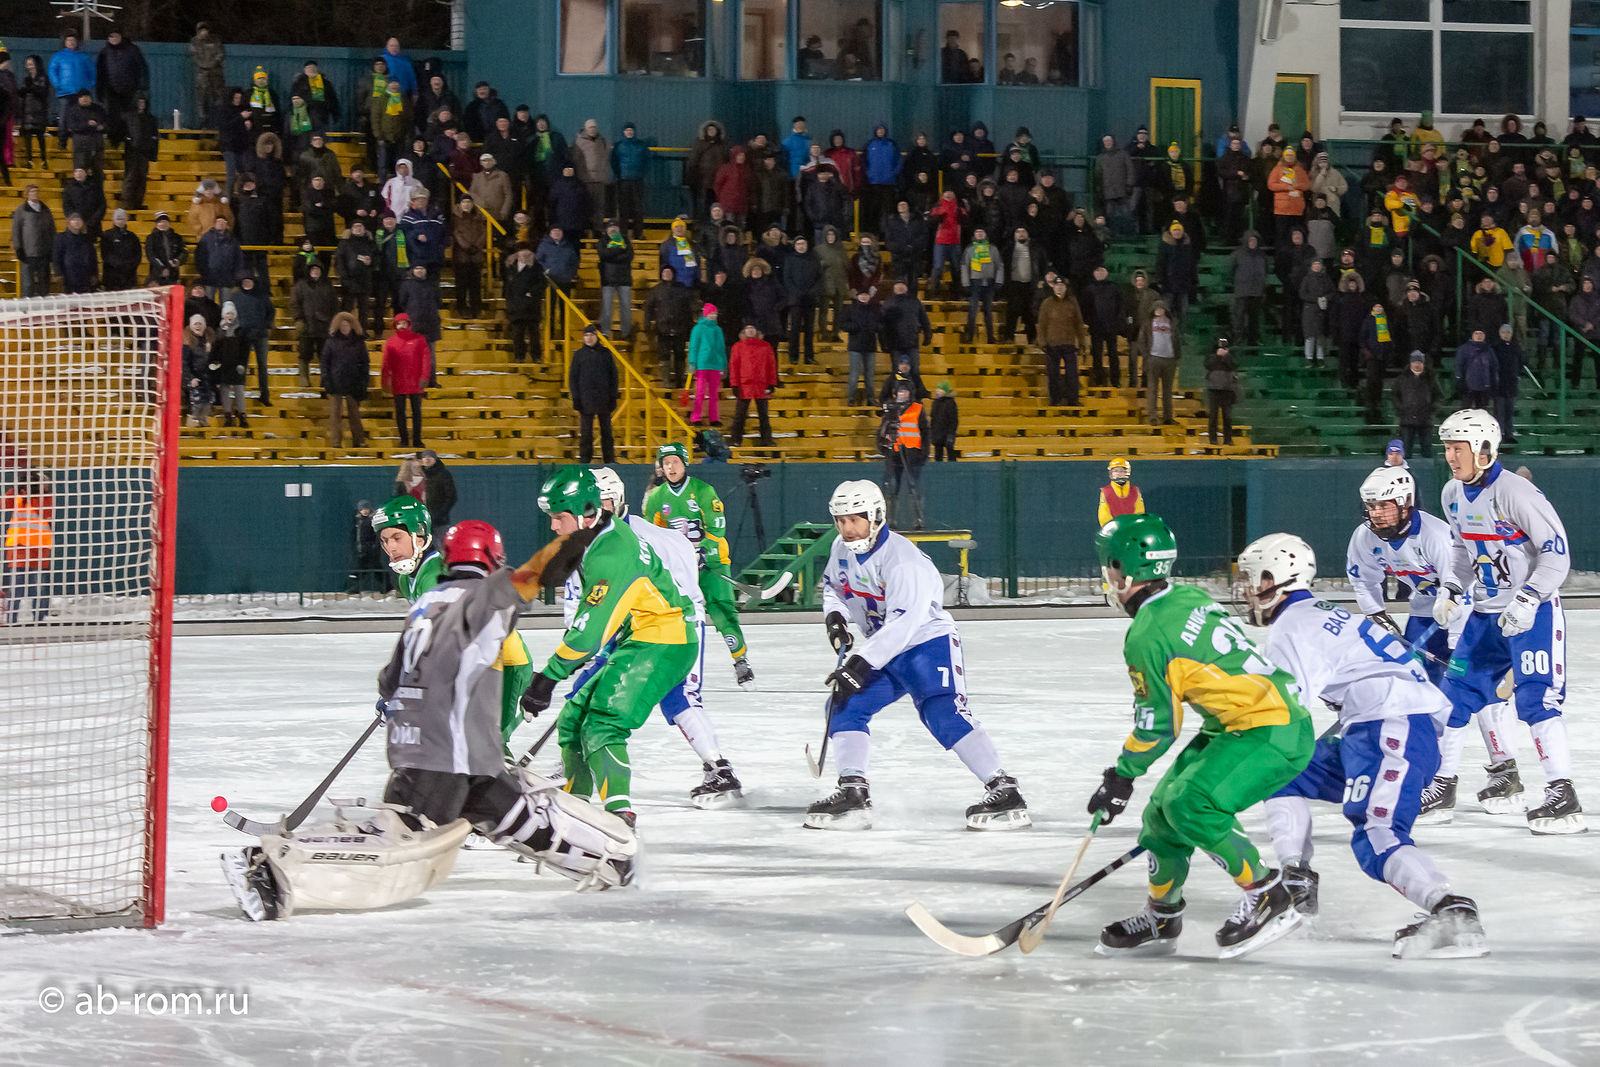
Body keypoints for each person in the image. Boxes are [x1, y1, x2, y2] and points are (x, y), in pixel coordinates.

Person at [223, 518, 639, 921]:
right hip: (448, 750)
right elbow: (543, 569)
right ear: (491, 559)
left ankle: (612, 863)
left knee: (516, 813)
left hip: (450, 752)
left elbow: (389, 680)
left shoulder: (426, 602)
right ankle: (266, 867)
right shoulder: (488, 593)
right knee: (402, 833)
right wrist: (590, 533)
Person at [1241, 535, 1488, 959]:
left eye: (1253, 578)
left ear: (1276, 578)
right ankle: (1295, 878)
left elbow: (1282, 712)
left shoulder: (1291, 625)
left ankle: (1451, 910)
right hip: (1382, 725)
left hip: (1392, 725)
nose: (1247, 589)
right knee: (1280, 771)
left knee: (1378, 832)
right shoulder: (1318, 612)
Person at [1087, 513, 1313, 958]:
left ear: (1126, 569)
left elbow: (1158, 725)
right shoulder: (1186, 596)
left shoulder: (1147, 634)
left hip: (1271, 730)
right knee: (1161, 814)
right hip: (1244, 723)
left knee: (1189, 804)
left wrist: (1122, 776)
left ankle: (1267, 893)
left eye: (1110, 566)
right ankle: (1162, 916)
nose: (1108, 576)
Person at [810, 479, 1028, 830]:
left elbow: (905, 622)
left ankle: (1004, 789)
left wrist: (860, 664)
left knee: (941, 711)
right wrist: (835, 618)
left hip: (925, 643)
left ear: (875, 517)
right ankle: (853, 791)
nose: (848, 529)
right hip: (884, 647)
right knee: (844, 704)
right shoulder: (841, 549)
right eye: (841, 520)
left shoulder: (902, 559)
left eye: (855, 520)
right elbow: (835, 587)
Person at [1423, 411, 1584, 834]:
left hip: (1533, 614)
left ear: (1484, 450)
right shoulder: (1452, 493)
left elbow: (1557, 554)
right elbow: (1461, 551)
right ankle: (1443, 785)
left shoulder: (1516, 492)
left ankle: (1562, 793)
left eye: (1458, 448)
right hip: (1485, 614)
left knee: (1536, 699)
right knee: (1454, 697)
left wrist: (1529, 599)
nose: (1450, 456)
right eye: (1447, 447)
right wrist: (1451, 588)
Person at [522, 467, 702, 832]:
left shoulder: (611, 553)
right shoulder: (597, 535)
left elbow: (588, 636)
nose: (553, 526)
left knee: (603, 723)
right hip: (639, 637)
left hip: (665, 639)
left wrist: (546, 679)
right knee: (573, 719)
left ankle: (620, 819)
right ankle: (575, 811)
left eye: (559, 517)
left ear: (587, 512)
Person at [560, 468, 745, 806]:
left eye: (603, 502)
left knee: (679, 696)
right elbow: (580, 599)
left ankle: (720, 769)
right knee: (583, 691)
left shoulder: (656, 537)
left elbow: (682, 594)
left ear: (618, 501)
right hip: (624, 630)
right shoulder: (584, 544)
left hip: (673, 627)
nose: (596, 510)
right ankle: (575, 764)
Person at [644, 443, 754, 687]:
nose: (671, 467)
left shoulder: (703, 491)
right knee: (671, 613)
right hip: (679, 567)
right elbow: (653, 535)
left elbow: (717, 527)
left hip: (712, 562)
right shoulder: (657, 498)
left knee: (722, 610)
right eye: (666, 463)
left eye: (675, 461)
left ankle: (740, 659)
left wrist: (703, 550)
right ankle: (670, 663)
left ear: (684, 463)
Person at [2, 474, 54, 625]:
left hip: (38, 550)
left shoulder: (46, 498)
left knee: (38, 588)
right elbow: (3, 504)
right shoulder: (18, 496)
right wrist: (15, 488)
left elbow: (46, 512)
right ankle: (11, 620)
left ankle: (40, 620)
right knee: (16, 588)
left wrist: (37, 493)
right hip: (18, 549)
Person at [567, 324, 618, 464]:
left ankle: (609, 460)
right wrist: (576, 398)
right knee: (586, 434)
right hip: (586, 400)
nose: (588, 338)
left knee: (607, 432)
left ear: (596, 336)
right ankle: (585, 461)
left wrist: (613, 396)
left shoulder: (606, 354)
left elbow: (613, 376)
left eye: (591, 335)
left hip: (604, 399)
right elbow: (573, 378)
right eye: (586, 335)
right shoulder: (579, 355)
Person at [381, 313, 430, 448]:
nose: (401, 326)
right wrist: (385, 381)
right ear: (395, 325)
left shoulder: (419, 339)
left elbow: (426, 360)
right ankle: (404, 440)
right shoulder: (391, 342)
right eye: (398, 323)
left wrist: (425, 377)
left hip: (415, 381)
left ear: (409, 324)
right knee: (400, 412)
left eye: (404, 323)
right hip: (399, 380)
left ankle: (417, 440)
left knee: (417, 412)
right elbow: (386, 364)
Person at [1036, 276, 1086, 407]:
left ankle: (1073, 400)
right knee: (1053, 374)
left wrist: (1082, 342)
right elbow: (1042, 324)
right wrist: (1042, 342)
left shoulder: (1072, 302)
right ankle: (1055, 400)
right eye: (1057, 285)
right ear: (1053, 287)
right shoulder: (1047, 303)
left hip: (1069, 343)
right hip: (1052, 344)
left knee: (1072, 374)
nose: (1059, 288)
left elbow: (1079, 323)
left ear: (1066, 287)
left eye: (1062, 286)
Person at [320, 311, 368, 448]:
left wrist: (363, 382)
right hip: (335, 381)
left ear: (352, 326)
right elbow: (325, 363)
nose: (344, 327)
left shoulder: (359, 342)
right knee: (335, 414)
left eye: (346, 325)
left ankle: (359, 440)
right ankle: (336, 442)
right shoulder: (331, 342)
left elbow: (365, 363)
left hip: (354, 382)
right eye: (342, 325)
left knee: (355, 414)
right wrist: (327, 381)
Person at [644, 264, 696, 388]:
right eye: (664, 272)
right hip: (663, 329)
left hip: (680, 329)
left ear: (673, 274)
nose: (667, 274)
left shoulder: (681, 289)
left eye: (669, 272)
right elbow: (648, 307)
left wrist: (689, 326)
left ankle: (680, 382)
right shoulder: (656, 290)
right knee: (664, 356)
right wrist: (647, 323)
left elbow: (688, 309)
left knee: (680, 355)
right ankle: (666, 384)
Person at [727, 324, 777, 448]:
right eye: (748, 328)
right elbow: (734, 366)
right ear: (744, 331)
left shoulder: (765, 346)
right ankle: (735, 439)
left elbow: (771, 365)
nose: (750, 331)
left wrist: (771, 382)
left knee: (764, 415)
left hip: (761, 385)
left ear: (756, 331)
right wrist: (734, 384)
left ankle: (767, 439)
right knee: (740, 415)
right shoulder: (738, 346)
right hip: (745, 385)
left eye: (752, 328)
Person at [290, 261, 339, 388]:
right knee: (304, 354)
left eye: (318, 269)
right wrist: (298, 320)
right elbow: (295, 304)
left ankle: (325, 382)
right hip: (306, 326)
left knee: (325, 355)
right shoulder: (300, 286)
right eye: (313, 269)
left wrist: (334, 322)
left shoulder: (327, 285)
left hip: (324, 327)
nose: (315, 272)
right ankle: (304, 380)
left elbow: (334, 305)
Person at [838, 288, 882, 406]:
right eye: (861, 294)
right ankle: (851, 398)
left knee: (869, 376)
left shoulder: (874, 310)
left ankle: (871, 399)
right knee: (854, 374)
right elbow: (842, 324)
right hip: (855, 346)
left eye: (866, 294)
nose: (863, 296)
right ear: (857, 296)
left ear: (869, 296)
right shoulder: (850, 309)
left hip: (870, 346)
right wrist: (855, 327)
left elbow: (881, 324)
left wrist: (875, 327)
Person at [1391, 352, 1438, 459]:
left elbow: (1438, 396)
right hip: (1407, 420)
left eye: (1419, 362)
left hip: (1425, 420)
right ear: (1410, 363)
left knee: (1427, 452)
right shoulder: (1402, 379)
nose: (1417, 365)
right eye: (1414, 362)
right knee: (1406, 452)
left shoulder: (1431, 378)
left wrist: (1431, 409)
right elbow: (1394, 395)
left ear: (1423, 364)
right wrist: (1401, 409)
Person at [502, 243, 544, 364]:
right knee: (518, 333)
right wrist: (509, 301)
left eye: (527, 252)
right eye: (521, 251)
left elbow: (542, 282)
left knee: (534, 333)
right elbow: (507, 285)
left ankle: (536, 356)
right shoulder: (510, 266)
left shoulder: (537, 266)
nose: (524, 254)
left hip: (531, 306)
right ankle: (519, 356)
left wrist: (532, 293)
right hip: (516, 305)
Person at [1140, 301, 1180, 426]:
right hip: (1154, 359)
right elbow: (1141, 341)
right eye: (1156, 308)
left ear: (1165, 310)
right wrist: (1147, 356)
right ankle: (1153, 417)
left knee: (1167, 391)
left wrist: (1176, 357)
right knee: (1153, 389)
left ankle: (1168, 417)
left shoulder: (1172, 323)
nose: (1158, 310)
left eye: (1161, 308)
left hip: (1169, 359)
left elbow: (1177, 340)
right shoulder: (1148, 323)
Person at [960, 227, 1002, 344]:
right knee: (973, 311)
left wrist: (999, 281)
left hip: (989, 282)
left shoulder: (992, 249)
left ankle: (990, 338)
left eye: (982, 232)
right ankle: (970, 337)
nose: (979, 234)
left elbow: (999, 265)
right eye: (977, 232)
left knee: (988, 311)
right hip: (975, 282)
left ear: (986, 234)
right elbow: (964, 266)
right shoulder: (970, 249)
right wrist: (965, 283)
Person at [596, 221, 633, 340]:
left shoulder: (626, 240)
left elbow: (629, 256)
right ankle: (605, 332)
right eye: (610, 227)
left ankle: (626, 333)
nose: (613, 229)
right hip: (607, 279)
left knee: (626, 308)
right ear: (606, 229)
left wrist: (611, 254)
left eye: (615, 226)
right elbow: (603, 255)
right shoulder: (602, 241)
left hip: (624, 279)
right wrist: (619, 249)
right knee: (607, 307)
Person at [1203, 338, 1237, 446]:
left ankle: (1228, 439)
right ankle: (1213, 439)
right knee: (1213, 416)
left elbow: (1234, 365)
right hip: (1213, 388)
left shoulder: (1232, 355)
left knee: (1227, 416)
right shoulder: (1211, 355)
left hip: (1227, 388)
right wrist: (1218, 356)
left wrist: (1226, 356)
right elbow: (1208, 365)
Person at [1096, 457, 1144, 526]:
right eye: (1115, 471)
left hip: (1132, 528)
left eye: (1122, 471)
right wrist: (1111, 527)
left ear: (1127, 472)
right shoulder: (1106, 491)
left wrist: (1135, 526)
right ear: (1111, 473)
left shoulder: (1135, 491)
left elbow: (1140, 512)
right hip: (1114, 530)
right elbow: (1103, 513)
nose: (1119, 474)